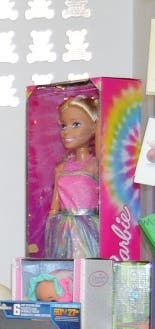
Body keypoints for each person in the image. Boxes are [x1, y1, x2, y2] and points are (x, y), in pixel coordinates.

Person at [44, 95, 99, 258]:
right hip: (63, 229)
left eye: (75, 124)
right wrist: (51, 232)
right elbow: (54, 207)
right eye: (63, 126)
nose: (66, 131)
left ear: (94, 127)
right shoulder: (61, 168)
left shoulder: (96, 165)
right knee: (66, 267)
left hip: (88, 227)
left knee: (87, 265)